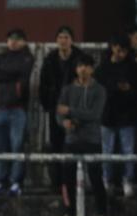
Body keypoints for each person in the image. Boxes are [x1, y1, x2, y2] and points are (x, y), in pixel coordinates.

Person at [57, 54, 108, 216]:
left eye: (86, 66)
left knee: (96, 178)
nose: (83, 69)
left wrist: (71, 112)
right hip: (71, 140)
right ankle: (69, 213)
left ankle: (102, 214)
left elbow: (94, 114)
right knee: (67, 179)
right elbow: (59, 113)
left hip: (92, 139)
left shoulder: (99, 90)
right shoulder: (67, 90)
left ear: (92, 69)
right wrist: (64, 122)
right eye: (80, 66)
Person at [39, 26, 86, 192]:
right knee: (56, 144)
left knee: (74, 144)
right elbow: (43, 83)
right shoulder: (50, 58)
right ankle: (57, 183)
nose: (63, 41)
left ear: (71, 40)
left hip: (74, 109)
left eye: (66, 37)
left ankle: (73, 182)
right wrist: (47, 104)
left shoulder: (80, 58)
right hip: (55, 108)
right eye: (60, 37)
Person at [0, 28, 34, 197]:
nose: (13, 42)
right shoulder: (0, 57)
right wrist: (11, 74)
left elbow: (22, 72)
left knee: (17, 147)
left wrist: (4, 73)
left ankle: (16, 182)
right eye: (10, 38)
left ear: (24, 41)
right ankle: (2, 181)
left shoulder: (27, 57)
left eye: (17, 39)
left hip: (17, 110)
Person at [95, 34, 137, 198]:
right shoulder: (103, 68)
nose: (119, 52)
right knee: (107, 151)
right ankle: (107, 180)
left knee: (127, 151)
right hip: (107, 115)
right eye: (116, 48)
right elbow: (99, 90)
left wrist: (127, 90)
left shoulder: (133, 68)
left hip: (127, 115)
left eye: (122, 49)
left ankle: (127, 180)